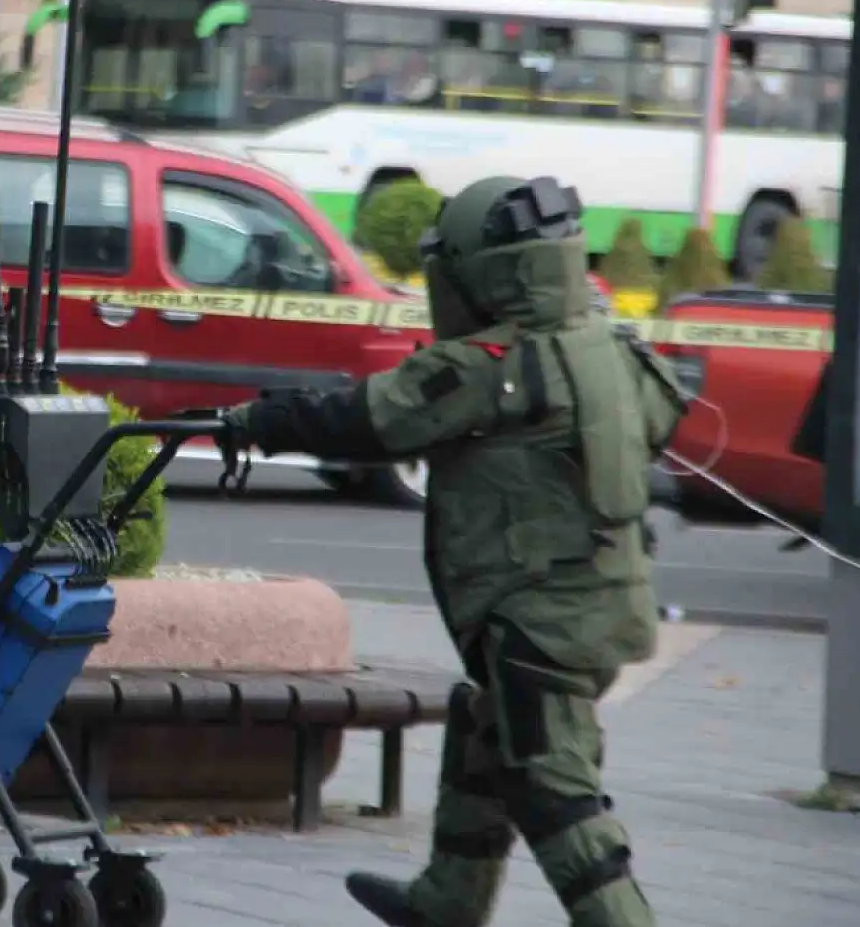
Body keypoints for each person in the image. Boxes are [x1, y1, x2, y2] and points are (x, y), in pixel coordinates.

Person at [217, 175, 688, 927]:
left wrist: (257, 422)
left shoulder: (495, 362)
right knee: (485, 731)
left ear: (478, 270)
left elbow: (375, 418)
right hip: (602, 598)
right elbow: (665, 418)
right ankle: (449, 901)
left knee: (552, 786)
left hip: (540, 617)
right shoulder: (608, 345)